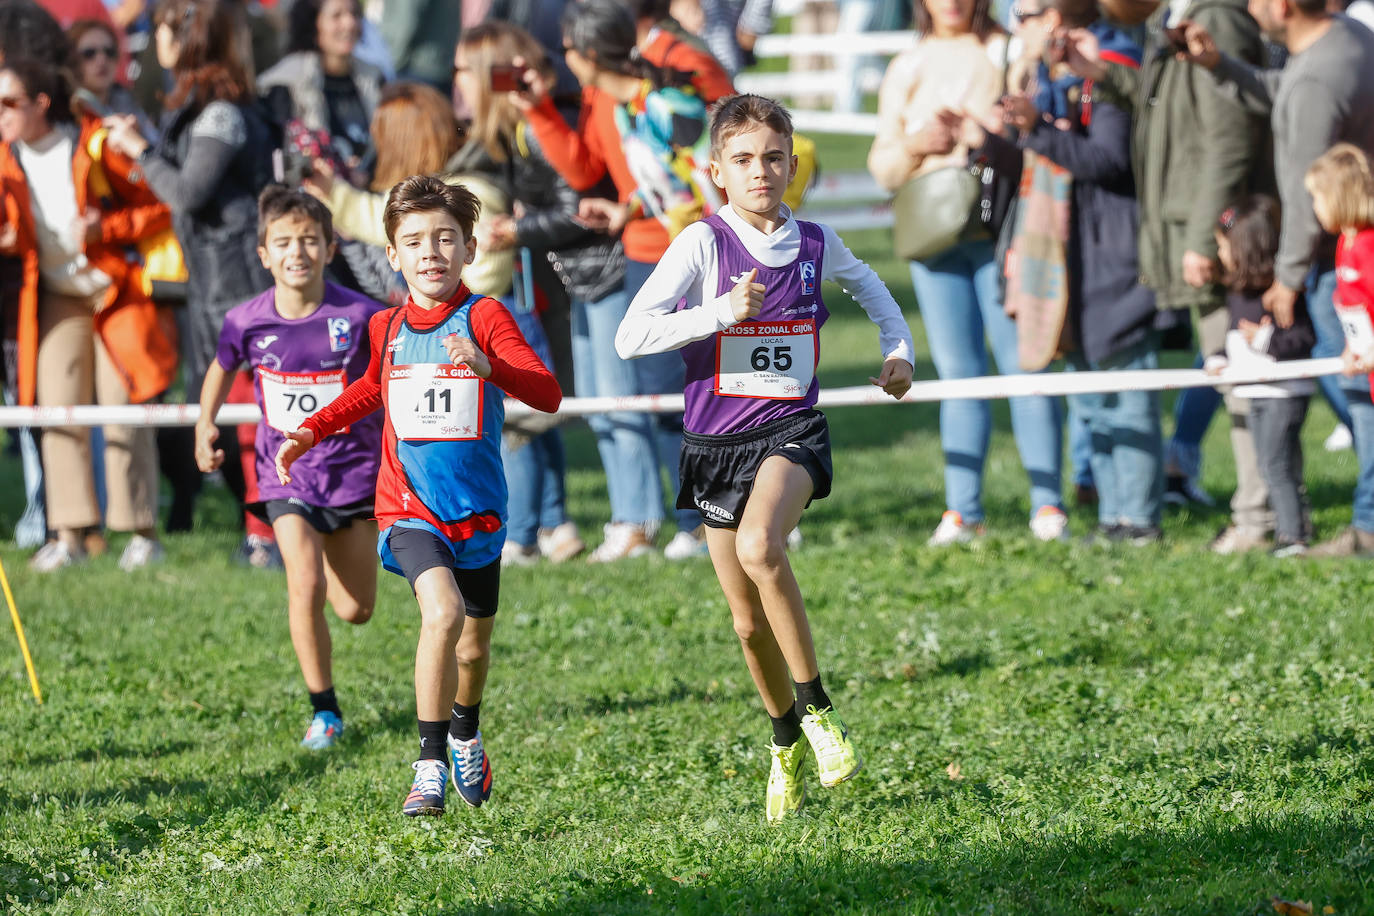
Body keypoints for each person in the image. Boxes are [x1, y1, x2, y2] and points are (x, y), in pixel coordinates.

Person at [615, 94, 915, 821]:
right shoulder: (700, 244)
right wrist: (719, 313)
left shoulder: (814, 241)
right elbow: (631, 337)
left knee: (760, 543)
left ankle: (819, 711)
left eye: (774, 158)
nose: (761, 172)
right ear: (717, 170)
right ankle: (783, 741)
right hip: (716, 446)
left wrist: (897, 350)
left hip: (791, 429)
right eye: (744, 160)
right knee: (746, 624)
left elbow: (874, 288)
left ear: (791, 164)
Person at [275, 176, 561, 815]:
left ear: (469, 250)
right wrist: (310, 431)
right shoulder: (387, 326)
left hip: (479, 512)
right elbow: (371, 391)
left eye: (445, 239)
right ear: (394, 256)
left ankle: (464, 728)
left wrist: (491, 368)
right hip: (408, 508)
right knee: (441, 613)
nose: (431, 252)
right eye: (415, 242)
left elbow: (547, 393)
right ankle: (428, 761)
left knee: (473, 646)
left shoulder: (485, 316)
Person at [1063, 0, 1272, 553]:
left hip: (1219, 238)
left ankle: (1259, 515)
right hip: (1194, 231)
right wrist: (1104, 75)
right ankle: (1259, 510)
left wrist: (1206, 237)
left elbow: (1231, 137)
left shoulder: (1214, 17)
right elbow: (1168, 106)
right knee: (1233, 374)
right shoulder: (1175, 16)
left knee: (1246, 379)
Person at [516, 0, 711, 560]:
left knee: (679, 391)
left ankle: (700, 522)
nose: (565, 58)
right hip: (644, 254)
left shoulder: (666, 98)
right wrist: (540, 113)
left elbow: (700, 179)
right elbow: (587, 171)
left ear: (588, 52)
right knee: (658, 387)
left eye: (570, 49)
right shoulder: (608, 100)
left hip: (691, 255)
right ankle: (686, 521)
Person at [869, 0, 1067, 545]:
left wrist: (983, 131)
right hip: (934, 235)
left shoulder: (1005, 48)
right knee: (958, 376)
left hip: (1000, 227)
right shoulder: (906, 64)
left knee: (1024, 368)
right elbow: (882, 164)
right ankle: (963, 511)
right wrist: (918, 144)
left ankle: (1049, 505)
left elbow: (1034, 127)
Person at [967, 0, 1164, 543]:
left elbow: (1109, 159)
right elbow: (1048, 160)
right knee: (1091, 395)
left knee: (1125, 390)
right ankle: (1113, 518)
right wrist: (992, 140)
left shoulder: (1110, 62)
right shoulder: (1049, 76)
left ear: (1055, 17)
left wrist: (1036, 129)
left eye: (1025, 13)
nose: (1017, 25)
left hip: (1114, 251)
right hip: (1067, 256)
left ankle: (1139, 520)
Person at [196, 186, 384, 748]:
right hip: (286, 472)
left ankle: (327, 565)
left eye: (309, 240)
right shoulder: (245, 320)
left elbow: (388, 382)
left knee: (355, 610)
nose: (296, 252)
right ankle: (324, 711)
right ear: (264, 254)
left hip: (352, 471)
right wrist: (205, 424)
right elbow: (220, 366)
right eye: (283, 242)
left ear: (330, 247)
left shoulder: (362, 315)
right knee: (301, 582)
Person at [103, 0, 279, 566]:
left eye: (160, 28)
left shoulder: (221, 111)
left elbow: (186, 193)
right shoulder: (208, 105)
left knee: (253, 416)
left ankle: (266, 537)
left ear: (187, 35)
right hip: (218, 282)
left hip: (237, 283)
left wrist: (141, 151)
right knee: (235, 418)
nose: (155, 38)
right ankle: (260, 530)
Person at [0, 56, 176, 571]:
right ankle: (69, 534)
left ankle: (142, 531)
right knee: (55, 409)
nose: (0, 113)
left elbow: (159, 203)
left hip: (115, 290)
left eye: (8, 103)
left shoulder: (93, 143)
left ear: (40, 104)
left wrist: (108, 231)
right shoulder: (4, 157)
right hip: (53, 294)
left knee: (125, 407)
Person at [452, 21, 589, 565]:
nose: (456, 81)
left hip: (543, 286)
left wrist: (513, 228)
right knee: (532, 410)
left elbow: (570, 206)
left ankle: (524, 533)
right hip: (537, 284)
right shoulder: (506, 130)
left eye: (464, 70)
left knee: (517, 416)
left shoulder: (533, 125)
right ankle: (556, 524)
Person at [1206, 196, 1316, 555]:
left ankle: (1292, 537)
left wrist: (1266, 338)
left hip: (1283, 394)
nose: (1221, 255)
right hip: (1255, 392)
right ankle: (1299, 526)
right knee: (1274, 463)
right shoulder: (1237, 293)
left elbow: (1302, 339)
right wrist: (1220, 357)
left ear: (1245, 248)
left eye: (1224, 247)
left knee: (1275, 464)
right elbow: (1235, 338)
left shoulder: (1280, 293)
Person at [1304, 144, 1374, 555]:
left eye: (1317, 197)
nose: (1314, 207)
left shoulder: (1368, 245)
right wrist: (1354, 347)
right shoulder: (1346, 243)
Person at [257, 0, 384, 176]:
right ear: (313, 22)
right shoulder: (284, 83)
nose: (349, 23)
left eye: (354, 14)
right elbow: (279, 160)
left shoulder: (375, 77)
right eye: (336, 16)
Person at [67, 19, 157, 137]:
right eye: (89, 53)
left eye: (109, 52)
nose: (102, 60)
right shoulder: (63, 115)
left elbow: (157, 145)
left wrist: (138, 137)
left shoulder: (128, 102)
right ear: (71, 61)